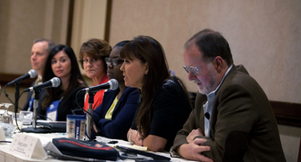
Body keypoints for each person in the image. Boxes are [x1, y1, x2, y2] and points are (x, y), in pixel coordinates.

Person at [170, 29, 286, 162]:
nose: (190, 77)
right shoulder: (205, 91)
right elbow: (181, 135)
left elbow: (222, 154)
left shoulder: (237, 90)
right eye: (187, 69)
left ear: (218, 64)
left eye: (195, 69)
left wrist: (195, 139)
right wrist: (184, 149)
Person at [121, 36, 192, 152]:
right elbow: (130, 130)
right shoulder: (147, 90)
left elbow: (154, 144)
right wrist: (135, 136)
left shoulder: (167, 91)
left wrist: (138, 138)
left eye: (127, 61)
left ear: (146, 67)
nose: (121, 68)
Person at [92, 41, 140, 140]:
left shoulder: (135, 92)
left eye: (117, 61)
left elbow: (116, 129)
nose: (109, 65)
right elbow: (91, 116)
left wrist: (99, 123)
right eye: (109, 60)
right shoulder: (112, 92)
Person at [38, 45, 87, 121]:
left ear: (72, 62)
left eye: (63, 60)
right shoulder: (48, 90)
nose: (58, 65)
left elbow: (78, 121)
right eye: (54, 62)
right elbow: (39, 116)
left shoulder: (80, 91)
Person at [23, 39, 55, 114]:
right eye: (32, 54)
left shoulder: (53, 85)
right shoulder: (35, 83)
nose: (33, 58)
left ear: (50, 57)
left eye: (39, 54)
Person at [79, 38, 112, 111]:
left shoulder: (110, 88)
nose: (89, 64)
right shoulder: (89, 92)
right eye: (86, 60)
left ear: (105, 61)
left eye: (94, 59)